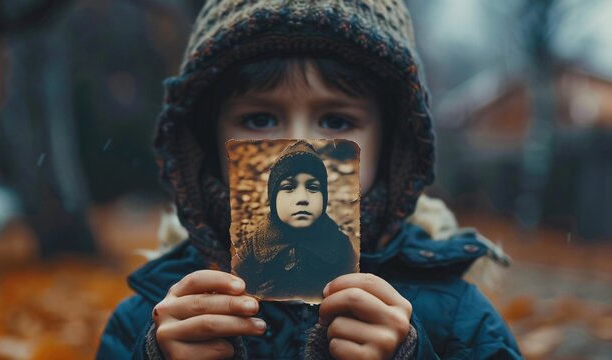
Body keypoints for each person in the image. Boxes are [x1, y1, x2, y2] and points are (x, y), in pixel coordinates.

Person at [97, 0, 523, 359]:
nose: (297, 147)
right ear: (208, 139)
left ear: (392, 144)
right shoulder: (152, 316)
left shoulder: (456, 316)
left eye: (336, 120)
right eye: (260, 118)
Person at [232, 140, 357, 301]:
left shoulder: (339, 243)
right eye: (289, 187)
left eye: (313, 188)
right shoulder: (258, 243)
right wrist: (253, 296)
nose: (302, 199)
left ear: (324, 197)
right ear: (273, 197)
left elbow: (357, 281)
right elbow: (234, 281)